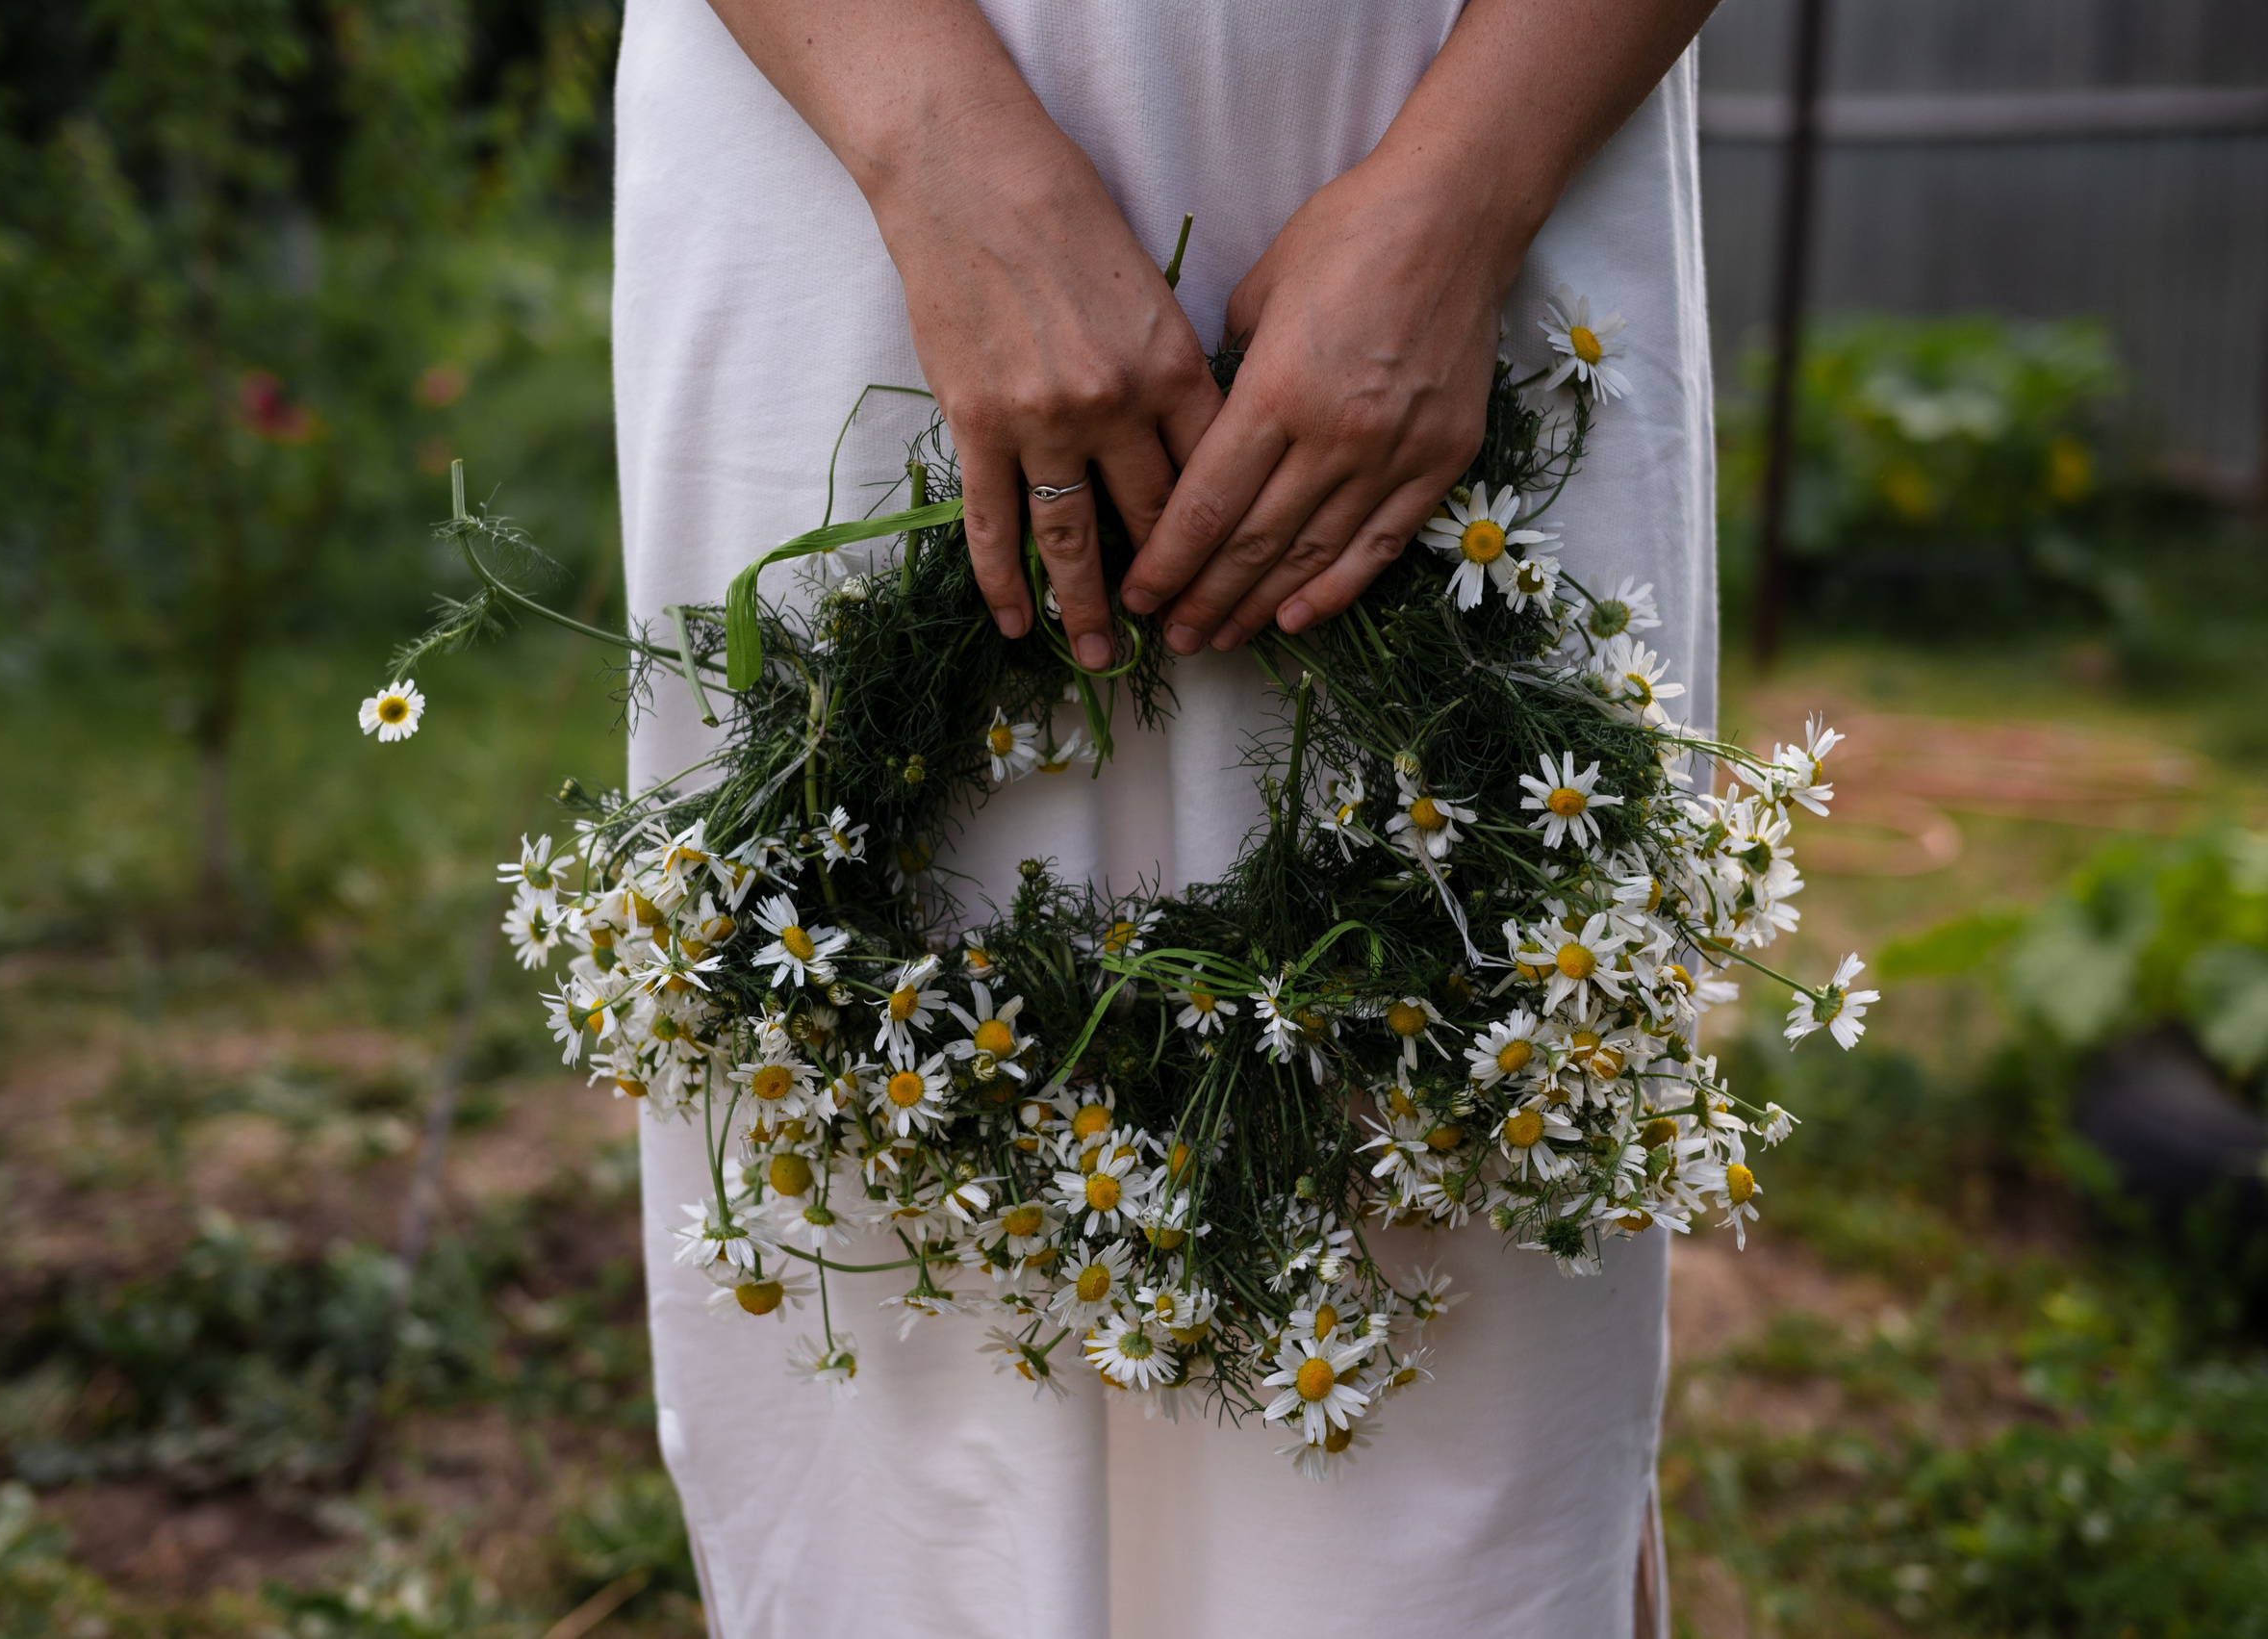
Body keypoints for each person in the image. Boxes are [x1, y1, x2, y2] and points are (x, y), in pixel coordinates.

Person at [611, 2, 1721, 1633]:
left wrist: (1468, 190)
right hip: (837, 132)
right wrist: (935, 149)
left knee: (1452, 1253)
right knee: (891, 1327)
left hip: (1479, 119)